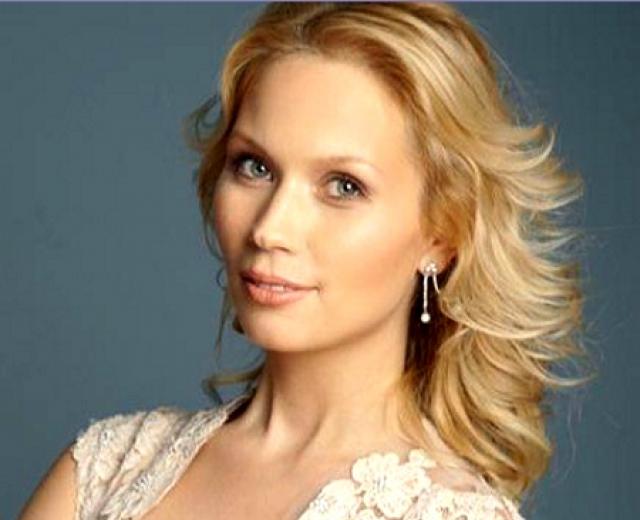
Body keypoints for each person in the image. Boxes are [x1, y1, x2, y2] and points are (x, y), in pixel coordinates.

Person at [19, 3, 594, 519]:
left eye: (343, 186)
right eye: (255, 167)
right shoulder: (107, 467)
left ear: (442, 235)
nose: (270, 228)